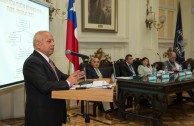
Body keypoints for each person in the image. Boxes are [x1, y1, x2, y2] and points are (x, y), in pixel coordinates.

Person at [23, 31, 84, 126]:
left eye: (53, 41)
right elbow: (44, 85)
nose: (53, 44)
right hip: (42, 116)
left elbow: (59, 76)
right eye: (49, 41)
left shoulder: (47, 60)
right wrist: (68, 82)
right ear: (38, 45)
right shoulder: (33, 62)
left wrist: (73, 76)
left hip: (53, 113)